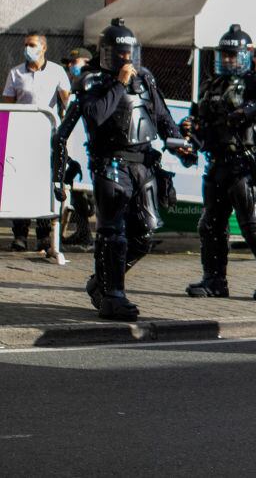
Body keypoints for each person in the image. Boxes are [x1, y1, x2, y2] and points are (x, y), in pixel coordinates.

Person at [51, 19, 192, 321]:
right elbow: (95, 117)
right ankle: (113, 295)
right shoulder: (92, 83)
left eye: (131, 53)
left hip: (143, 164)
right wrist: (119, 83)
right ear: (107, 54)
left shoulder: (146, 79)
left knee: (144, 234)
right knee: (112, 233)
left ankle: (101, 282)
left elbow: (162, 117)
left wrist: (180, 142)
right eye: (120, 53)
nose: (127, 59)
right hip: (110, 163)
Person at [183, 24, 256, 301]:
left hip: (245, 161)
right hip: (217, 161)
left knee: (251, 223)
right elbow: (200, 120)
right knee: (210, 223)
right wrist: (189, 133)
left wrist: (247, 111)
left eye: (233, 55)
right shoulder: (212, 84)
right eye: (224, 55)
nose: (228, 60)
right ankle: (214, 279)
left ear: (246, 55)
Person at [4, 31, 71, 251]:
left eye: (32, 45)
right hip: (22, 136)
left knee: (44, 184)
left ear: (43, 47)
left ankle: (43, 236)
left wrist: (66, 97)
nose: (27, 49)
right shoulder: (16, 73)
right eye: (25, 45)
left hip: (47, 138)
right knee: (19, 183)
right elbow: (8, 104)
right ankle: (20, 234)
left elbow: (67, 100)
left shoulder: (56, 71)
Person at [59, 48, 95, 247]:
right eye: (69, 63)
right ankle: (84, 233)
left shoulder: (96, 83)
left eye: (75, 61)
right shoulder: (72, 85)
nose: (71, 66)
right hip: (74, 146)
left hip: (91, 145)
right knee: (76, 189)